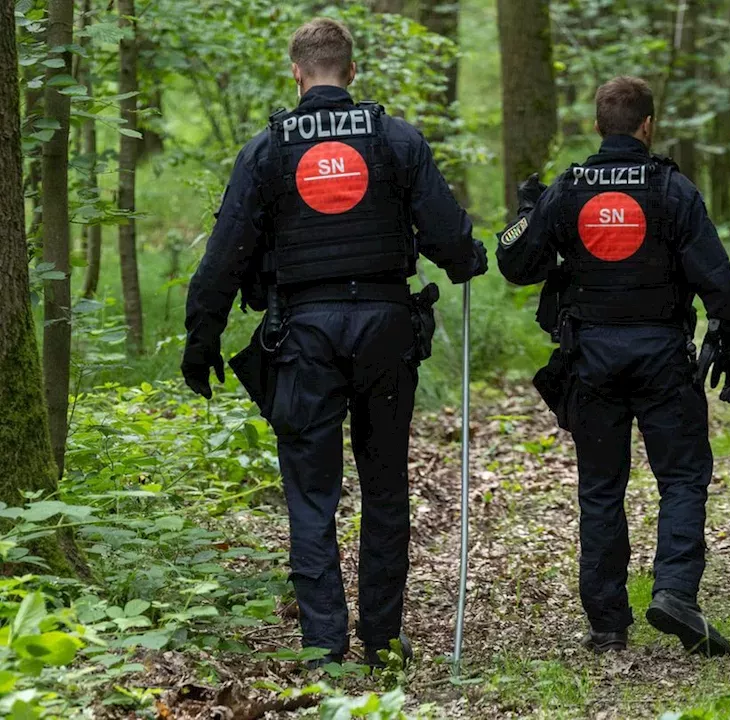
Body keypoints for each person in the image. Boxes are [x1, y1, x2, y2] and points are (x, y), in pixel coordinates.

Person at [181, 18, 487, 667]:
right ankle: (382, 638)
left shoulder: (268, 150)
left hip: (304, 336)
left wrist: (200, 339)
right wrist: (469, 254)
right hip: (384, 331)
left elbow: (223, 259)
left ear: (297, 73)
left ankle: (324, 644)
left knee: (312, 492)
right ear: (351, 71)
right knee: (384, 484)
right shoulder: (395, 138)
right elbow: (448, 238)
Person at [495, 76, 730, 656]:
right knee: (682, 477)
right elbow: (718, 279)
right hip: (662, 354)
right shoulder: (672, 189)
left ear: (596, 127)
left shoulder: (571, 187)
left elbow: (515, 260)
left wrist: (526, 210)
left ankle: (608, 622)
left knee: (601, 488)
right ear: (648, 126)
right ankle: (676, 593)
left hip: (591, 358)